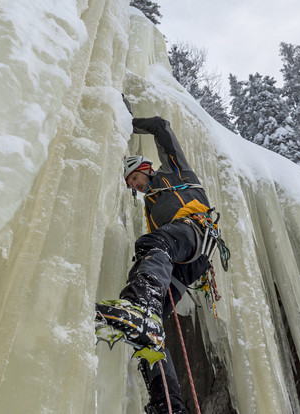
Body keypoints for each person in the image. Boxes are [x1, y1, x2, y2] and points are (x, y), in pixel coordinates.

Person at [96, 115, 215, 414]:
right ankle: (167, 403)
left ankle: (141, 304)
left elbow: (162, 128)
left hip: (194, 230)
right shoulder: (151, 209)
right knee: (152, 329)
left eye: (136, 178)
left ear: (146, 168)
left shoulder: (175, 172)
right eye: (131, 185)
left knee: (150, 245)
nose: (136, 186)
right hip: (183, 259)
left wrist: (127, 119)